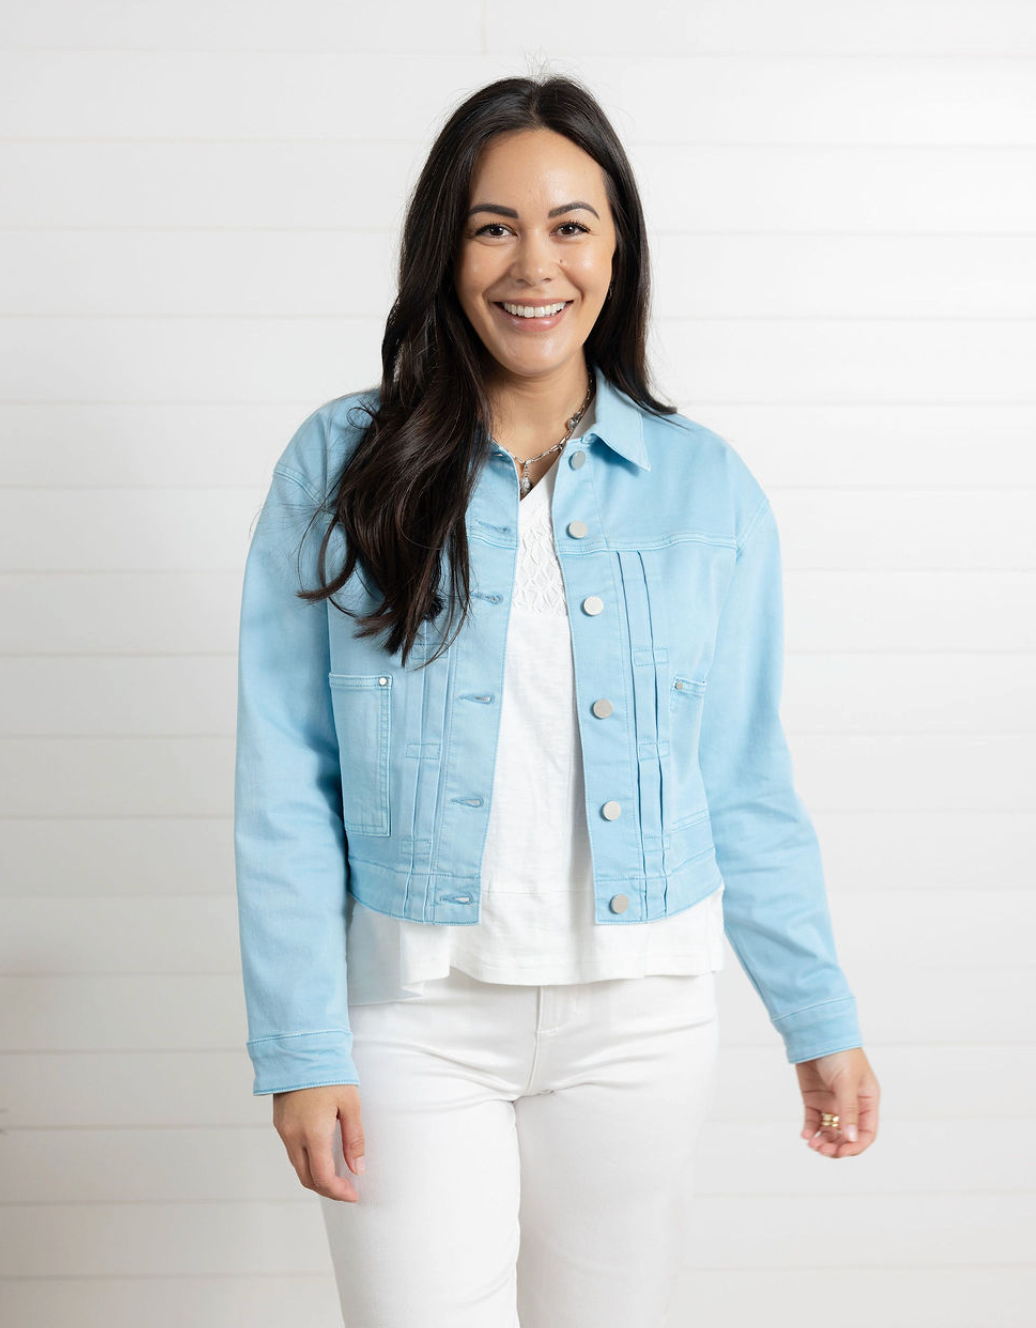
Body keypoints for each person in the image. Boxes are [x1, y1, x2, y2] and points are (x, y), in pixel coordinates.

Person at [234, 73, 881, 1328]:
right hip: (410, 1012)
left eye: (570, 225)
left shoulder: (706, 485)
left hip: (641, 1019)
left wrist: (819, 1017)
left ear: (616, 250)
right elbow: (285, 776)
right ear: (445, 248)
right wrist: (301, 1046)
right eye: (494, 227)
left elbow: (743, 778)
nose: (535, 265)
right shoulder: (343, 462)